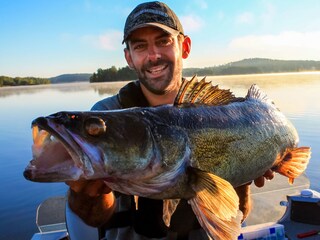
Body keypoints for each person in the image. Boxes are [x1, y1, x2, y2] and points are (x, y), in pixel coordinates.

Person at [66, 1, 274, 239]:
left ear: (184, 47)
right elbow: (93, 219)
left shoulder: (224, 111)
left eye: (163, 41)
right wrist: (85, 194)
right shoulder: (107, 116)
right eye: (140, 46)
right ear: (129, 57)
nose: (153, 56)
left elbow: (239, 213)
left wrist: (247, 172)